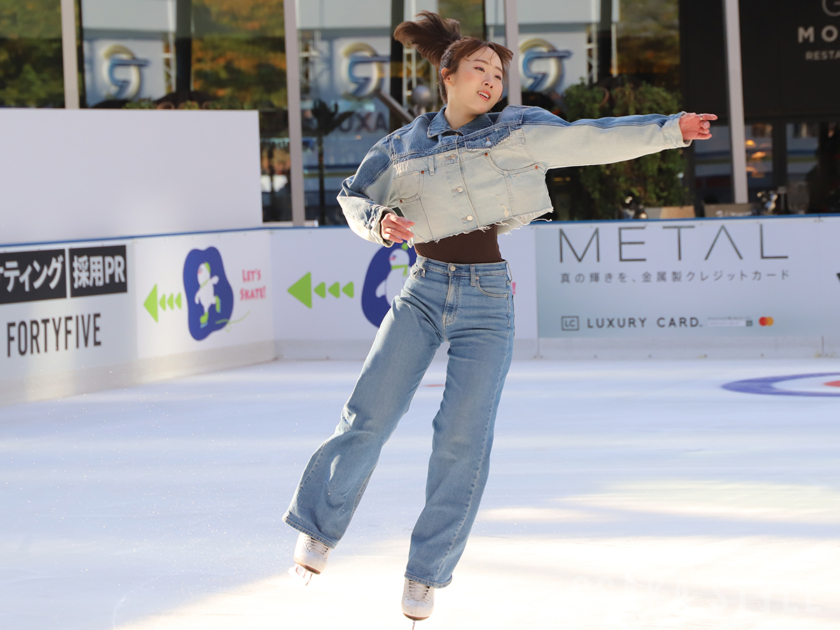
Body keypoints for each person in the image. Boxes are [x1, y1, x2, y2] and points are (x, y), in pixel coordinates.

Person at [283, 10, 716, 623]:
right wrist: (380, 223)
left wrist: (672, 128)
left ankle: (425, 574)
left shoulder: (518, 130)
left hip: (488, 299)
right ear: (448, 75)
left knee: (463, 438)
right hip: (422, 291)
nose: (491, 81)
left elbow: (593, 139)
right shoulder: (401, 147)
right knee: (369, 413)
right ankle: (319, 530)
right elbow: (354, 197)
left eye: (498, 74)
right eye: (480, 69)